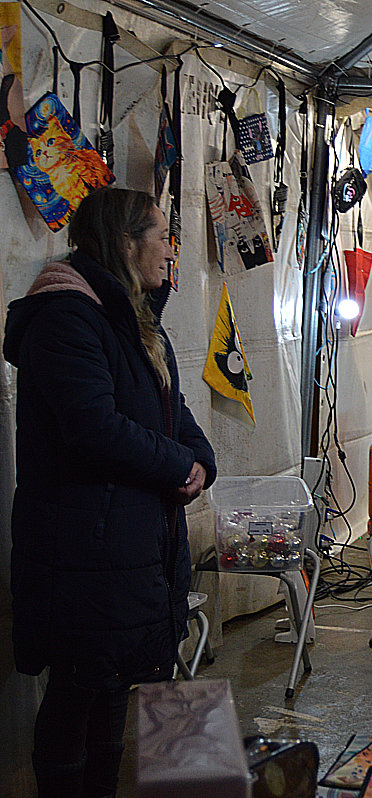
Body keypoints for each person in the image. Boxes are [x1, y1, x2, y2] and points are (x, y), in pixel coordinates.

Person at [4, 188, 216, 797]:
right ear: (125, 243)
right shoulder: (67, 317)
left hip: (128, 544)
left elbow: (170, 406)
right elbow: (93, 427)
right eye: (161, 237)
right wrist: (176, 464)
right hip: (82, 548)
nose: (170, 250)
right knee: (77, 692)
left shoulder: (134, 316)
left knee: (113, 689)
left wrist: (201, 460)